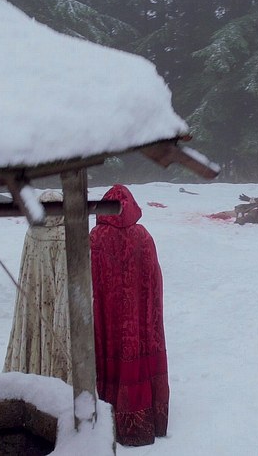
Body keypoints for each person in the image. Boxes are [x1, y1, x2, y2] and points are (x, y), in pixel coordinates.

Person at [90, 184, 169, 446]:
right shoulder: (143, 237)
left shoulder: (95, 239)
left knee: (108, 359)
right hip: (138, 321)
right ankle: (143, 418)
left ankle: (105, 421)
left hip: (107, 320)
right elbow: (154, 282)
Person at [4, 190, 72, 384]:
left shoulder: (32, 232)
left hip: (32, 301)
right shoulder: (65, 237)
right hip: (57, 308)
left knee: (35, 335)